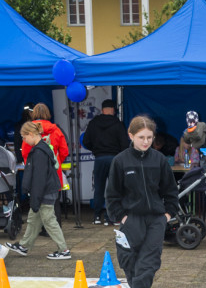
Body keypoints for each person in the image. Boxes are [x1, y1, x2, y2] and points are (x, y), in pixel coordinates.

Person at [106, 115, 180, 288]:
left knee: (148, 264)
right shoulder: (120, 161)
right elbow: (112, 195)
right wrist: (122, 217)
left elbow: (170, 191)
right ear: (131, 136)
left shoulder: (158, 160)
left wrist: (167, 215)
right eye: (141, 137)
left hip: (155, 220)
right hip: (131, 220)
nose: (146, 141)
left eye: (149, 137)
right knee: (131, 265)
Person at [6, 122, 71, 259]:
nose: (23, 141)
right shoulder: (43, 148)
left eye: (24, 137)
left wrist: (35, 197)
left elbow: (39, 178)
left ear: (31, 134)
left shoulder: (39, 152)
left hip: (44, 192)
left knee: (49, 220)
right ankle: (24, 246)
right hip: (47, 190)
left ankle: (63, 250)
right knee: (33, 219)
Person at [82, 99, 130, 225]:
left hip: (99, 159)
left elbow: (86, 141)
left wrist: (96, 150)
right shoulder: (118, 124)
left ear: (102, 110)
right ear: (113, 110)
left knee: (98, 188)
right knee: (114, 189)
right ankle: (112, 217)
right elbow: (125, 144)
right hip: (114, 159)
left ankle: (97, 217)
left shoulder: (93, 123)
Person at [22, 103, 69, 224]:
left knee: (37, 197)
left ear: (34, 114)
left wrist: (30, 166)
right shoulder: (56, 130)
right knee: (54, 201)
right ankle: (55, 227)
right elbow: (64, 151)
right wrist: (57, 161)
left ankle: (41, 227)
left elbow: (25, 152)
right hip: (54, 170)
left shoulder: (29, 130)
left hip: (35, 170)